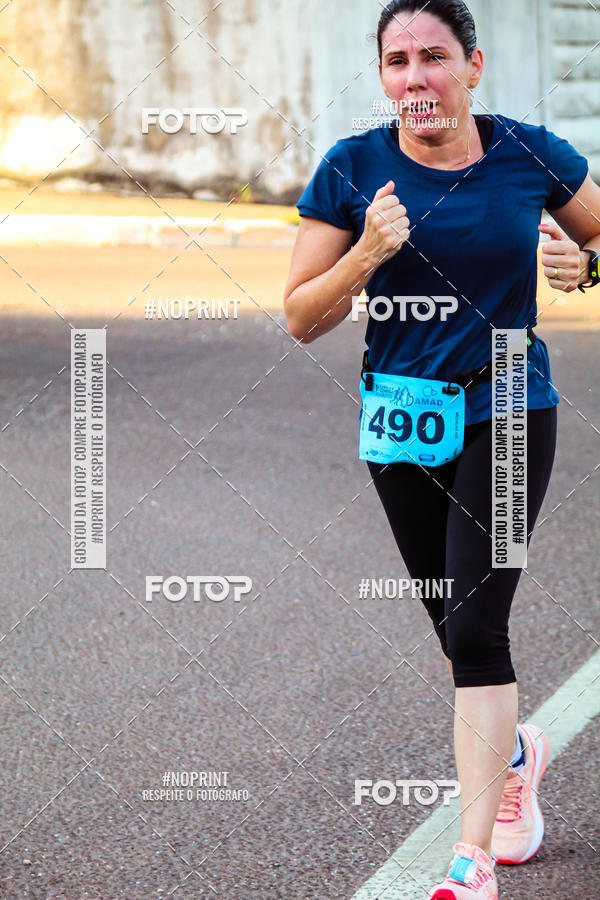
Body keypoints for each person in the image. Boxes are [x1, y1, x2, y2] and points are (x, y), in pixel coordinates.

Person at [283, 1, 600, 897]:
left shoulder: (530, 154)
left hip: (507, 396)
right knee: (455, 630)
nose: (414, 78)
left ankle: (471, 859)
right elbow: (304, 316)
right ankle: (517, 758)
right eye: (396, 61)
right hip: (400, 416)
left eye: (432, 57)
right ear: (382, 75)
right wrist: (367, 255)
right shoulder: (352, 169)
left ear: (473, 65)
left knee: (475, 625)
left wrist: (588, 266)